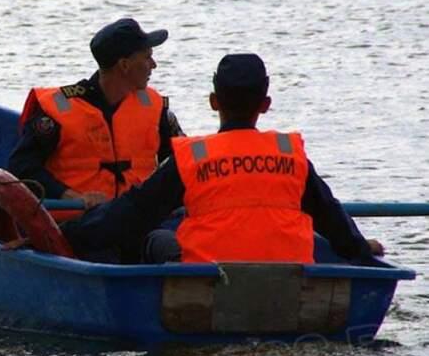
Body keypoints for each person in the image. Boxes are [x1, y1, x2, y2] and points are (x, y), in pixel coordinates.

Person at [61, 53, 385, 264]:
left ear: (214, 102)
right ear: (266, 104)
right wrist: (361, 251)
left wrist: (67, 235)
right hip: (291, 277)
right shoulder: (290, 156)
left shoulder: (193, 158)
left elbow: (131, 214)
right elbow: (332, 219)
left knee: (154, 239)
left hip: (208, 281)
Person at [8, 18, 185, 225]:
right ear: (124, 65)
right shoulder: (58, 109)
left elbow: (180, 161)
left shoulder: (154, 107)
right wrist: (71, 196)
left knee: (164, 243)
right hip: (79, 226)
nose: (153, 65)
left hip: (138, 223)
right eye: (147, 58)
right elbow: (21, 166)